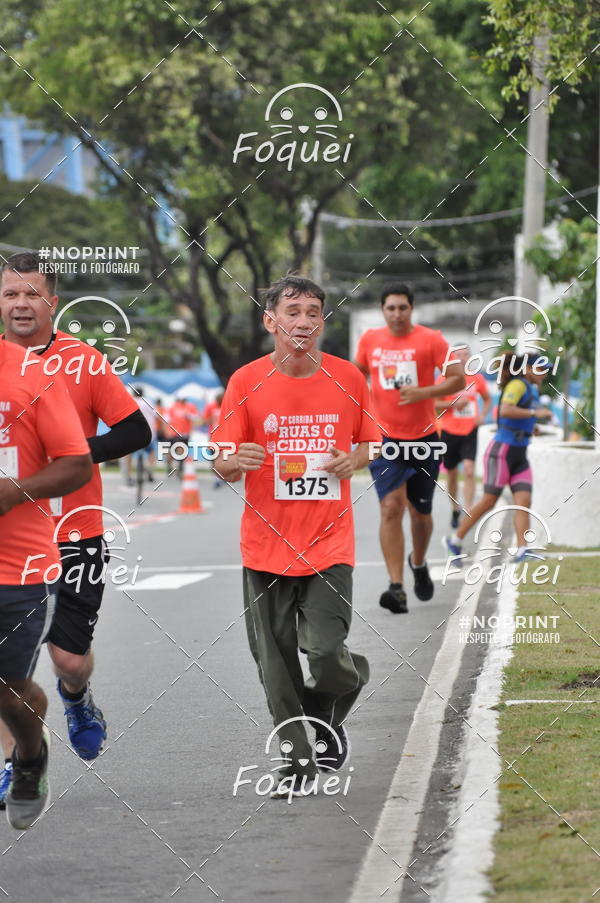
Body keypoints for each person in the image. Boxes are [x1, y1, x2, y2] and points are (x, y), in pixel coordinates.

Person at [213, 274, 379, 798]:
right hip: (264, 547)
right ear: (271, 321)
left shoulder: (349, 379)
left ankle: (334, 698)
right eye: (292, 311)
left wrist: (356, 457)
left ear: (322, 321)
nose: (303, 321)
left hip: (330, 545)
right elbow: (221, 458)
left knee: (327, 656)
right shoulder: (245, 381)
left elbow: (371, 443)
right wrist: (232, 461)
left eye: (313, 312)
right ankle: (296, 764)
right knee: (277, 667)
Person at [0, 252, 151, 801]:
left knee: (67, 659)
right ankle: (18, 757)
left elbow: (137, 432)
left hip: (75, 531)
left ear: (52, 303)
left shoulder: (82, 361)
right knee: (5, 667)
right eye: (11, 294)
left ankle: (75, 697)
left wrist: (70, 449)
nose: (21, 304)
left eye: (32, 294)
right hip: (10, 539)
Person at [0, 337, 92, 829]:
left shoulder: (31, 374)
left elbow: (76, 463)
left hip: (18, 567)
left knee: (8, 690)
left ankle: (30, 759)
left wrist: (16, 492)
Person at [354, 283, 464, 614]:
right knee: (391, 506)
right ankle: (396, 587)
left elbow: (457, 379)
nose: (397, 314)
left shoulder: (431, 340)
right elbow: (355, 376)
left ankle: (418, 562)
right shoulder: (370, 341)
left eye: (403, 307)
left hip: (424, 438)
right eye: (390, 308)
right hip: (384, 439)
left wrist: (424, 392)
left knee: (421, 513)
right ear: (382, 310)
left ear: (411, 309)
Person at [443, 354, 553, 564]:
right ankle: (454, 540)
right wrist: (534, 413)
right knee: (488, 501)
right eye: (541, 369)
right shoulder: (518, 385)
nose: (545, 373)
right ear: (528, 369)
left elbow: (514, 416)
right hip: (501, 452)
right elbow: (504, 410)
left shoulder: (529, 388)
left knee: (523, 501)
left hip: (519, 454)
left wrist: (532, 427)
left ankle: (523, 550)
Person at [434, 344, 491, 528]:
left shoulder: (477, 378)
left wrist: (482, 416)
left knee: (468, 470)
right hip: (449, 430)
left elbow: (487, 398)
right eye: (459, 355)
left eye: (466, 355)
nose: (463, 358)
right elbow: (433, 404)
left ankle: (468, 511)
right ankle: (454, 508)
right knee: (452, 473)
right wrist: (453, 405)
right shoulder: (444, 378)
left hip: (469, 430)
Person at [165, 396, 200, 476]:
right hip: (174, 433)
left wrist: (189, 415)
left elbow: (196, 417)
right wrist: (167, 431)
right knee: (173, 451)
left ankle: (180, 467)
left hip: (185, 433)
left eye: (185, 399)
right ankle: (170, 465)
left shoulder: (190, 407)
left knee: (183, 450)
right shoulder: (173, 407)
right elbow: (166, 419)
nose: (183, 401)